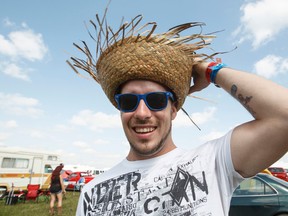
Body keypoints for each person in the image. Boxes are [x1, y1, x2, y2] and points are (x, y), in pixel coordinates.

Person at [68, 10, 288, 216]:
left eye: (156, 100)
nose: (142, 113)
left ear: (174, 109)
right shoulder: (91, 193)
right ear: (120, 110)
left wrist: (209, 70)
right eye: (129, 101)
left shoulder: (213, 162)